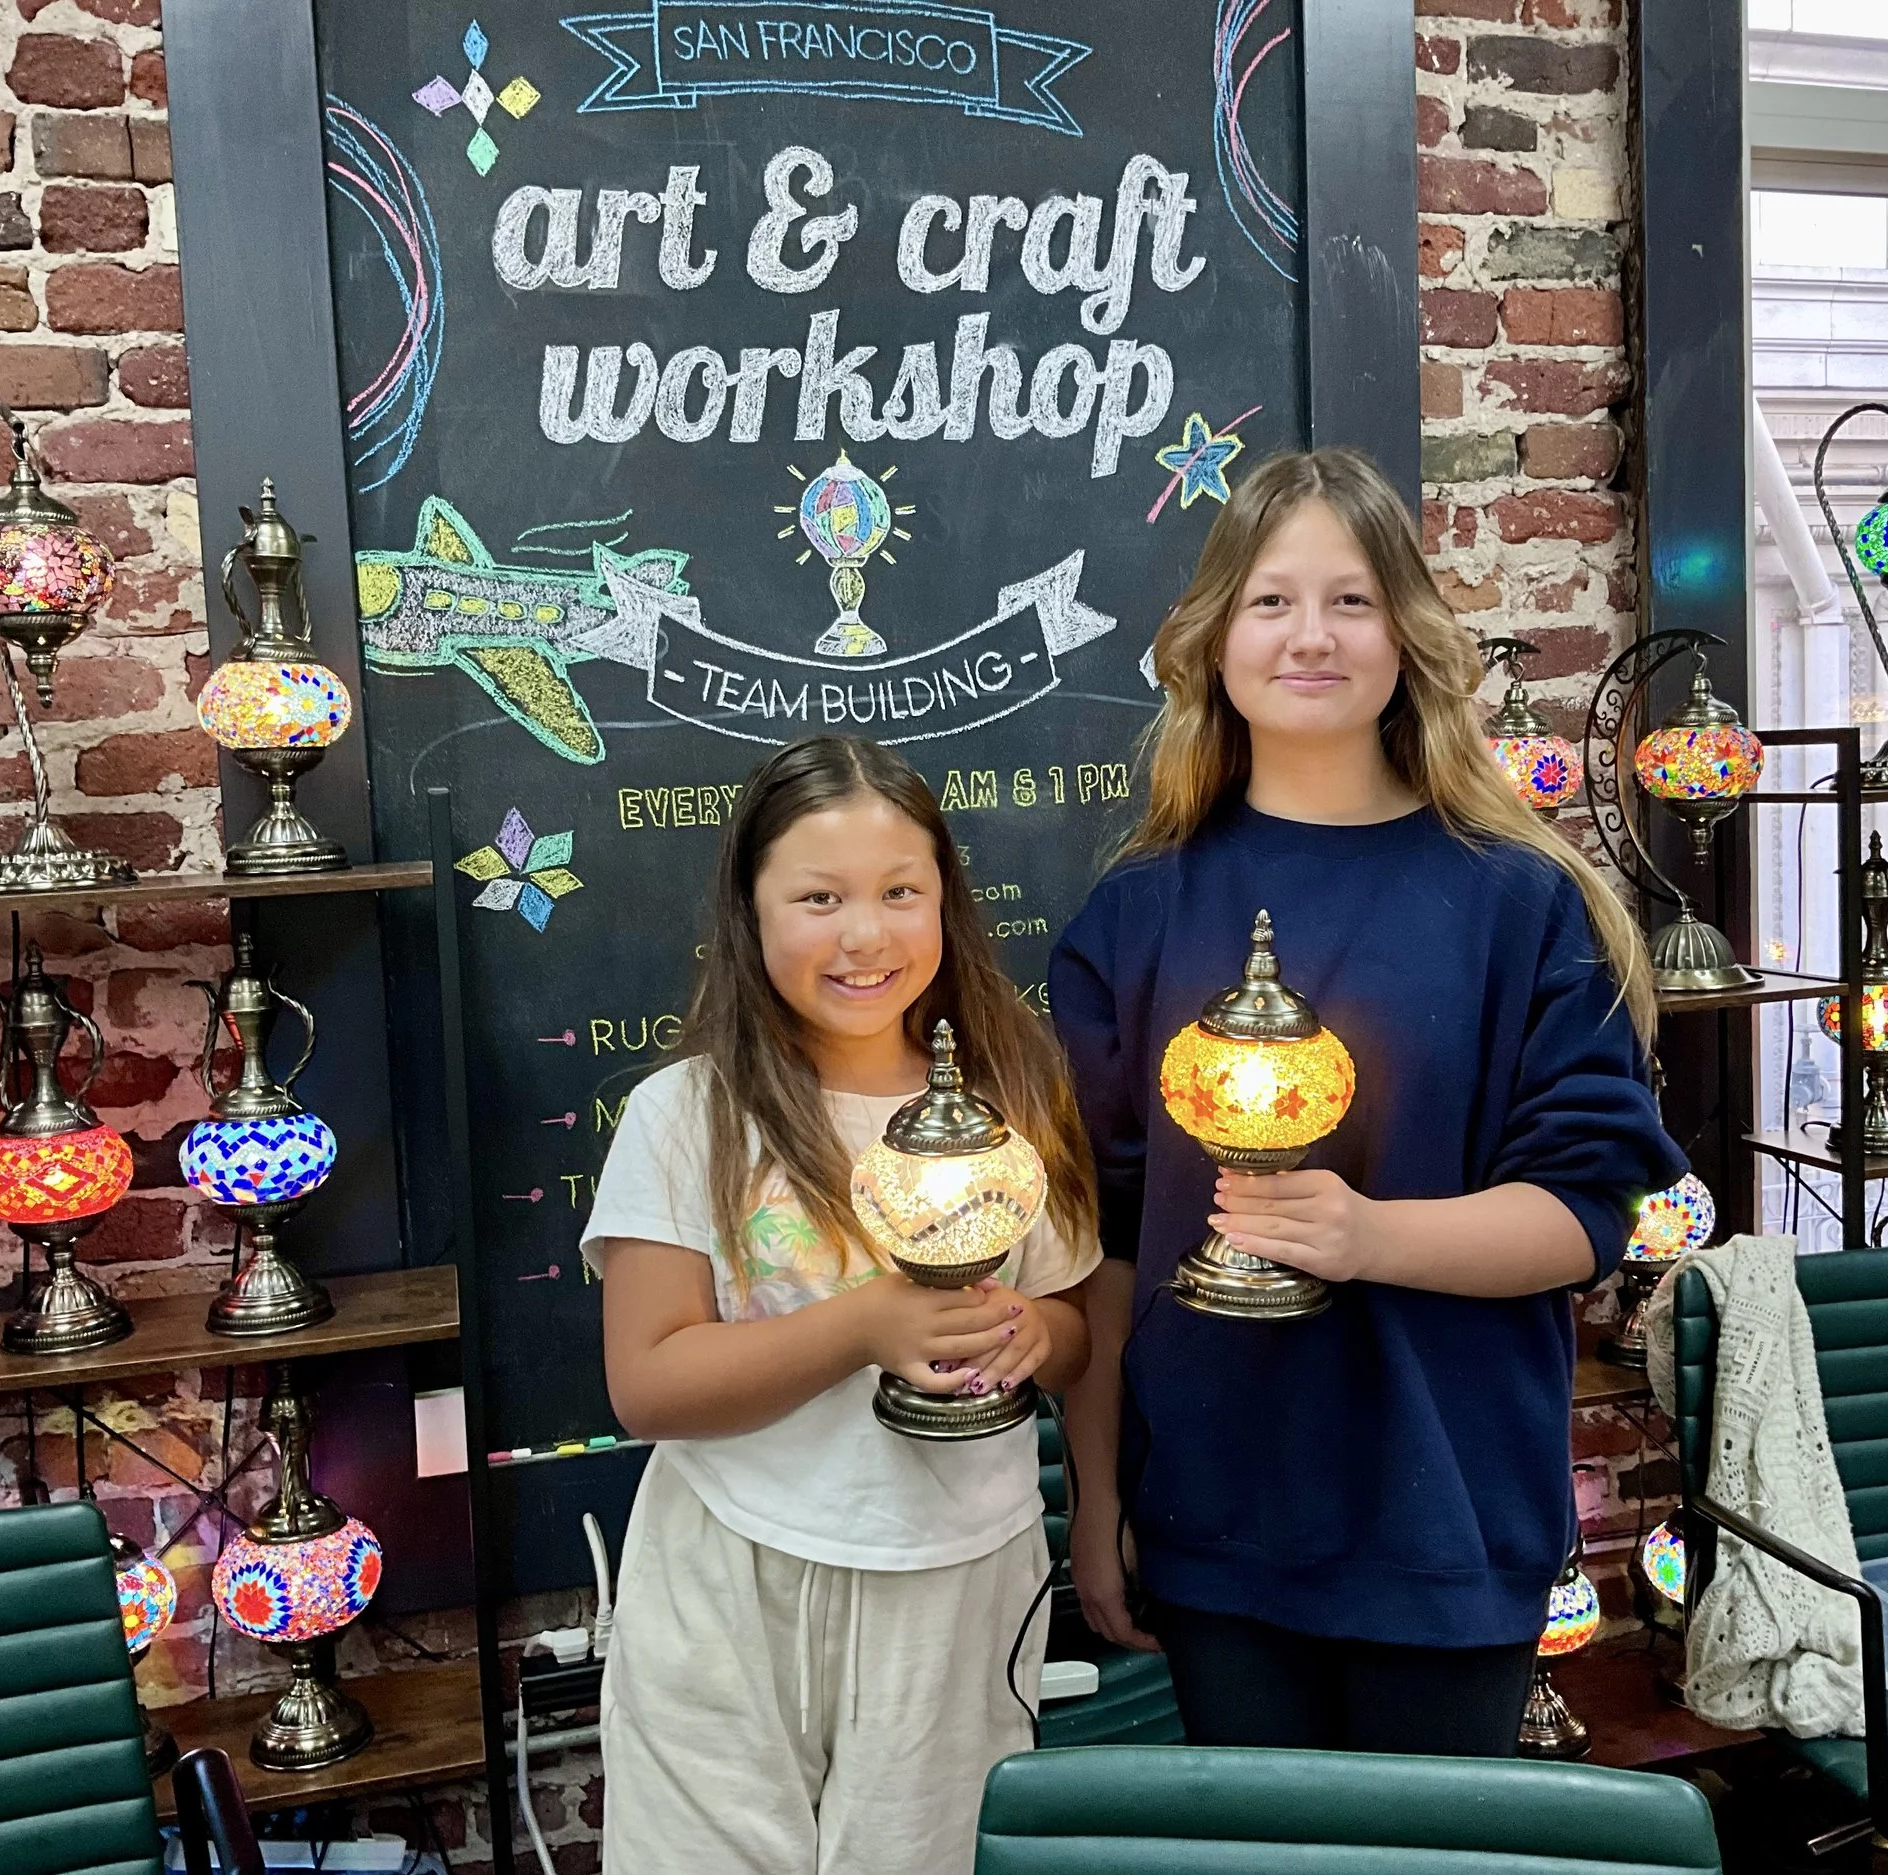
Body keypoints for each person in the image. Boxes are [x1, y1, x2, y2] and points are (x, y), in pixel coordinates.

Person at [1051, 446, 1685, 1755]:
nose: (1312, 635)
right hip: (1218, 1515)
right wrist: (1099, 1493)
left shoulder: (1520, 899)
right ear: (1214, 635)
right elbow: (1106, 1245)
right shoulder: (1140, 909)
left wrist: (1365, 1237)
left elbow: (1587, 1213)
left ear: (1409, 633)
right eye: (1273, 599)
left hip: (1445, 1513)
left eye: (1352, 599)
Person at [583, 735, 1098, 1875]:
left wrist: (1031, 1336)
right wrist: (863, 1326)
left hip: (958, 1573)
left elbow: (1074, 1333)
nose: (863, 934)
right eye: (818, 898)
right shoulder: (690, 1115)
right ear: (751, 913)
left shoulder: (1015, 1097)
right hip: (733, 1568)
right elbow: (647, 1384)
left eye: (898, 893)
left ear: (947, 905)